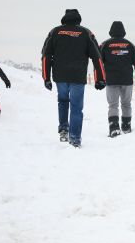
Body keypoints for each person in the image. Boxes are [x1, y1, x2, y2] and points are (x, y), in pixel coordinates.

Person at [41, 9, 106, 148]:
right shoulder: (86, 33)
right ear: (78, 19)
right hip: (77, 76)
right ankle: (75, 138)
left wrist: (46, 77)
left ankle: (64, 129)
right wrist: (100, 78)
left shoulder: (55, 32)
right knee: (76, 107)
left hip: (60, 76)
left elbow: (46, 55)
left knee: (63, 101)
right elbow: (97, 57)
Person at [99, 21, 135, 137]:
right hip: (127, 81)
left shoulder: (105, 45)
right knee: (126, 104)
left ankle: (114, 128)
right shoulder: (130, 45)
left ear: (111, 31)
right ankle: (126, 126)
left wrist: (100, 79)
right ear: (123, 31)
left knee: (113, 105)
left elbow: (98, 63)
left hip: (111, 80)